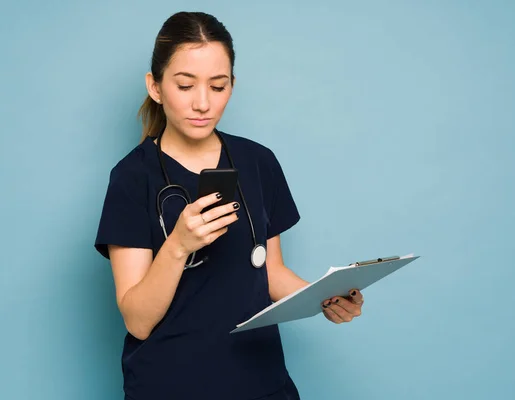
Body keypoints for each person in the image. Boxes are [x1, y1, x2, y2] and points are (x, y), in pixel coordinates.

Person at [94, 11, 364, 400]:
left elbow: (270, 272)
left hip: (260, 382)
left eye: (217, 87)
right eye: (185, 85)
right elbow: (137, 320)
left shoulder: (257, 162)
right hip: (169, 386)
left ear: (232, 86)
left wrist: (325, 297)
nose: (202, 103)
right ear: (155, 86)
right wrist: (178, 245)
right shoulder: (132, 178)